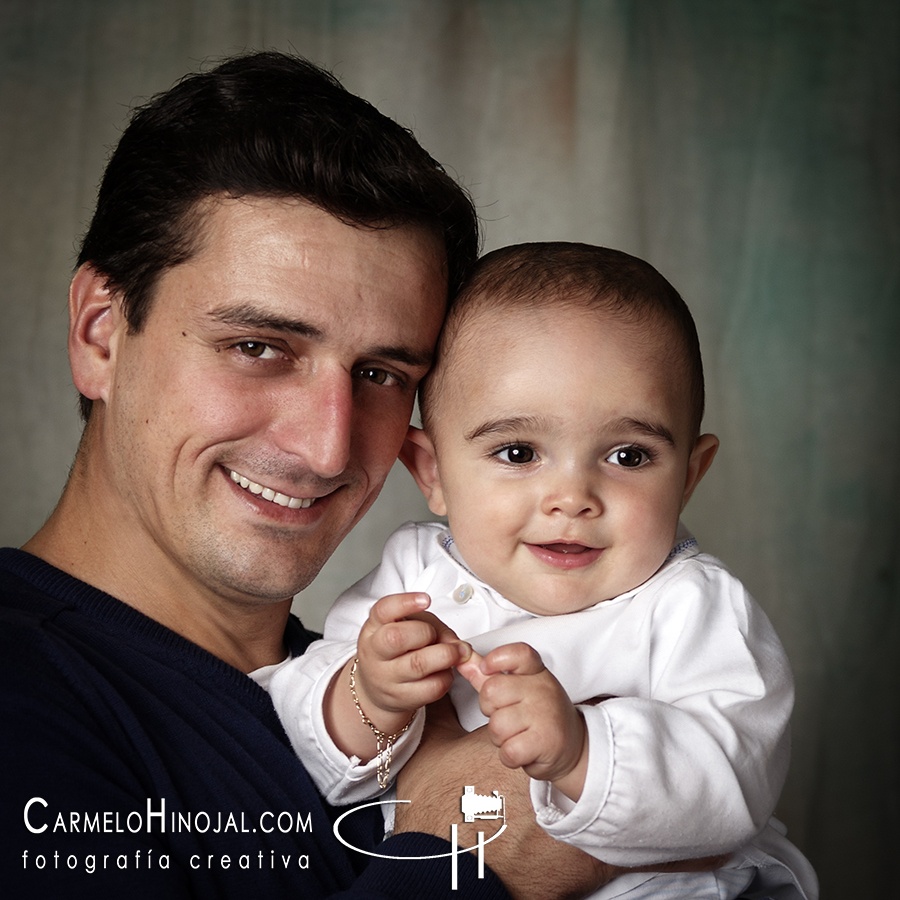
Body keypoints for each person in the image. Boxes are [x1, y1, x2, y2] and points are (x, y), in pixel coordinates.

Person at [0, 52, 628, 900]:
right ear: (101, 334)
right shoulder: (25, 694)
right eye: (259, 348)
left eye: (381, 374)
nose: (329, 449)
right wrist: (458, 856)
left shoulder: (394, 685)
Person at [269, 243, 819, 899]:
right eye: (519, 451)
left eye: (628, 454)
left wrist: (583, 752)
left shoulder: (693, 604)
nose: (572, 496)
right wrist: (370, 695)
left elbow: (737, 770)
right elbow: (296, 736)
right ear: (433, 474)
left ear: (689, 477)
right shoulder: (413, 577)